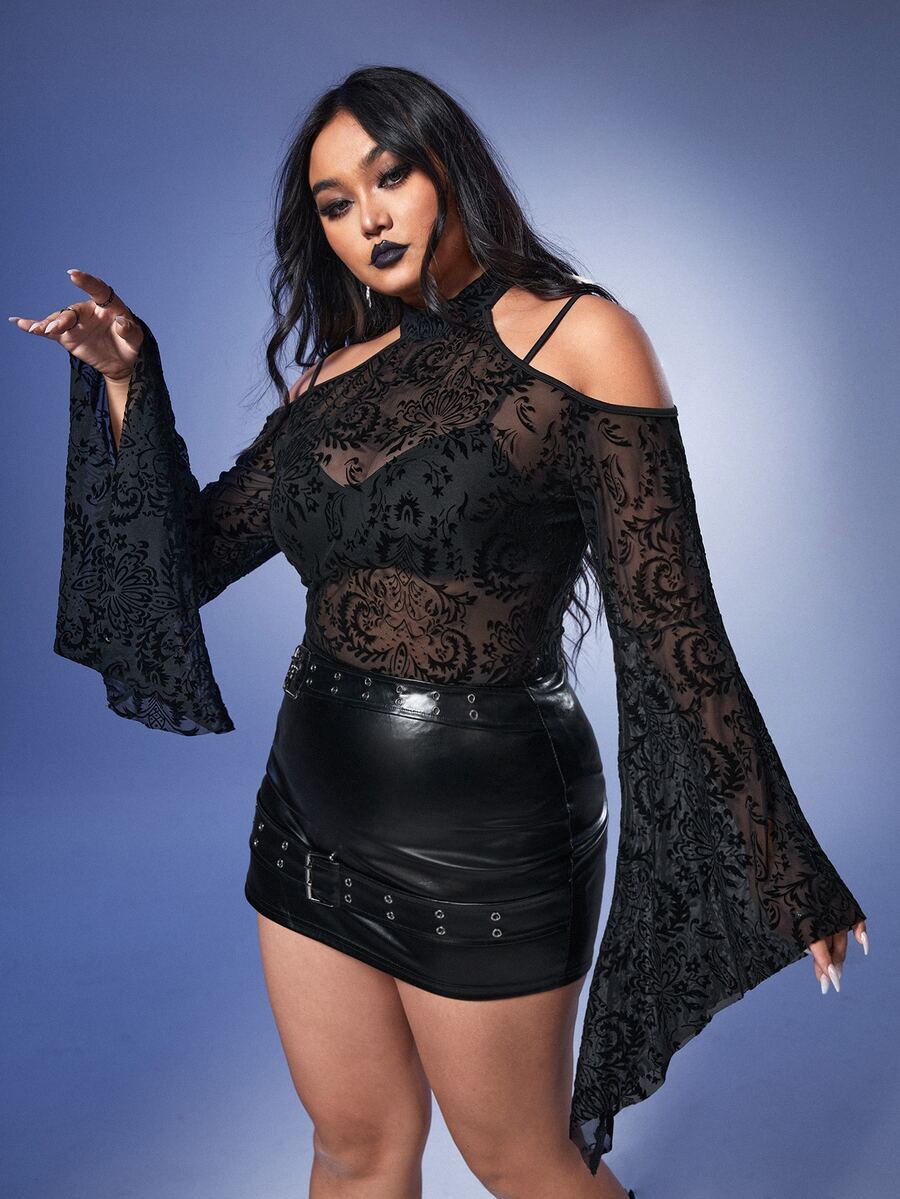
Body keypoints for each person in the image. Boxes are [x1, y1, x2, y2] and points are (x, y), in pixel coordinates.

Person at [13, 65, 868, 1199]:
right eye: (334, 203)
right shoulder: (330, 382)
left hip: (491, 830)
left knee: (522, 1160)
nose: (367, 218)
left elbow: (675, 624)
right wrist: (130, 381)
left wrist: (778, 857)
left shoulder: (582, 336)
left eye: (389, 176)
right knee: (352, 1149)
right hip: (308, 813)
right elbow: (190, 560)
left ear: (446, 166)